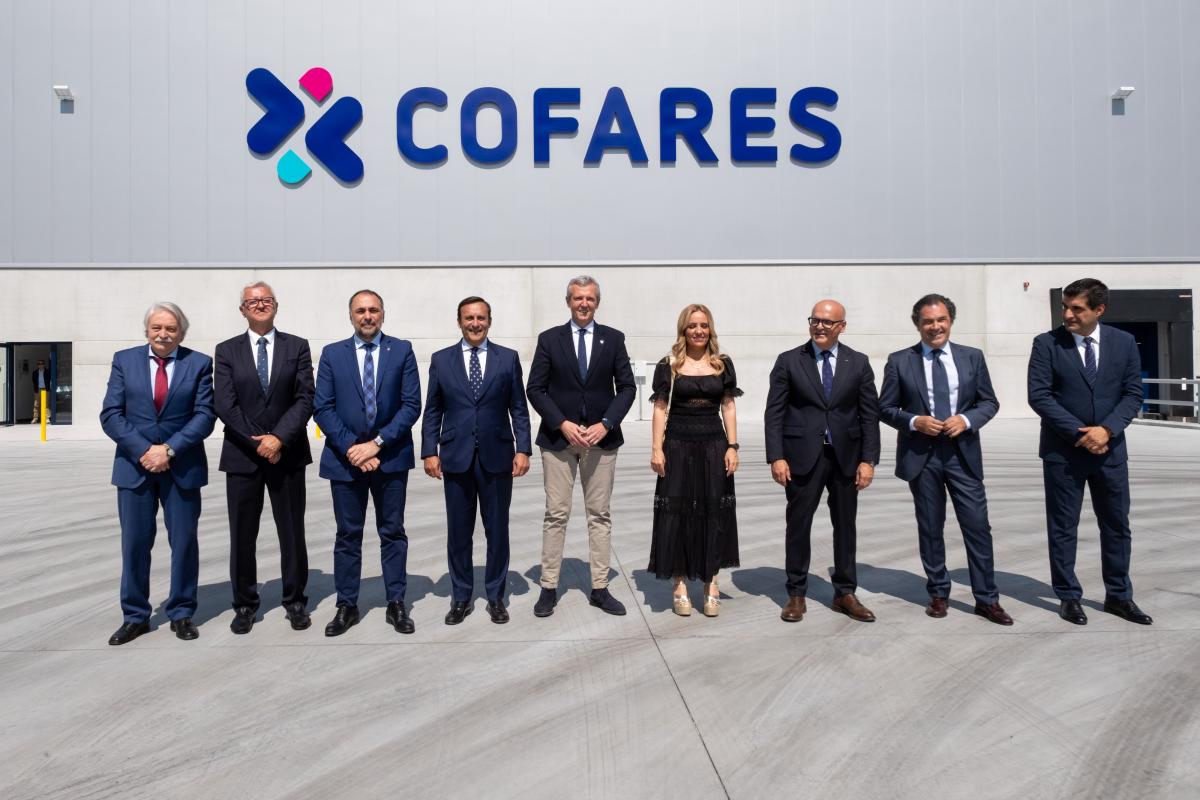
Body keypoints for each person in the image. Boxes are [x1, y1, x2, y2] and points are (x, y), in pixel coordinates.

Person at [879, 294, 1011, 625]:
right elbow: (884, 407)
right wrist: (914, 421)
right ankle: (938, 593)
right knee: (930, 527)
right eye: (928, 321)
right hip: (921, 456)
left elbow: (989, 402)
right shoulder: (900, 361)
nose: (935, 327)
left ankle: (987, 599)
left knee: (977, 526)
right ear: (917, 324)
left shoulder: (972, 357)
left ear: (951, 321)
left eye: (941, 320)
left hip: (962, 454)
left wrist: (966, 420)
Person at [1027, 278, 1151, 626]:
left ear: (1099, 310)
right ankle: (1068, 597)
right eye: (1065, 307)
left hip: (1111, 452)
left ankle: (1119, 596)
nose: (1067, 314)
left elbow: (1133, 394)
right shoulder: (1046, 344)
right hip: (1063, 453)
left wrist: (1106, 430)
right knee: (1063, 527)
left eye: (1076, 308)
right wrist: (1081, 434)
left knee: (1117, 526)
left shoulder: (1123, 343)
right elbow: (1040, 396)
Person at [100, 302, 216, 645]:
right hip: (134, 467)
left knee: (184, 542)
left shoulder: (199, 363)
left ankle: (181, 613)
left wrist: (168, 449)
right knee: (135, 543)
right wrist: (144, 450)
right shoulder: (125, 361)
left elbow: (205, 415)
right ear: (147, 330)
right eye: (157, 328)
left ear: (181, 332)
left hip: (182, 466)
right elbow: (111, 414)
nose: (163, 334)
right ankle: (135, 616)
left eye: (171, 328)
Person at [313, 289, 422, 636]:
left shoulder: (401, 350)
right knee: (348, 534)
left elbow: (411, 405)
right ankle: (347, 604)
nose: (367, 316)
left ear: (383, 314)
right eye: (360, 310)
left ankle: (396, 602)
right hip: (345, 462)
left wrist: (375, 445)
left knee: (392, 532)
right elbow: (323, 407)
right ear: (351, 316)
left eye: (373, 309)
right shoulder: (333, 354)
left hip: (390, 457)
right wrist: (353, 449)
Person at [526, 275, 636, 617]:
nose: (583, 303)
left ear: (597, 302)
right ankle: (548, 587)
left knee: (599, 515)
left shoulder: (613, 339)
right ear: (568, 302)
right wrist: (562, 423)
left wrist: (606, 424)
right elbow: (535, 388)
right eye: (578, 298)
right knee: (556, 514)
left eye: (589, 298)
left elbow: (627, 388)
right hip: (559, 441)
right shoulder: (550, 339)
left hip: (601, 442)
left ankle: (600, 588)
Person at [764, 299, 881, 623]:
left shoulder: (858, 363)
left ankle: (844, 592)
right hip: (802, 457)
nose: (819, 326)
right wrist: (776, 456)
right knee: (798, 525)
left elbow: (869, 415)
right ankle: (796, 593)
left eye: (827, 322)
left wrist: (868, 460)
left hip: (846, 458)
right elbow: (774, 413)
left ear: (841, 327)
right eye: (814, 320)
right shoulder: (789, 361)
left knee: (845, 526)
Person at [421, 296, 533, 625]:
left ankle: (496, 596)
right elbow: (433, 410)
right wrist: (429, 451)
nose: (475, 323)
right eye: (469, 318)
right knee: (459, 532)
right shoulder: (441, 360)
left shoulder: (507, 358)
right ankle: (461, 597)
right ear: (459, 322)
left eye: (481, 318)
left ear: (489, 321)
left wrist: (523, 449)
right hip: (455, 457)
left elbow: (519, 408)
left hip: (497, 457)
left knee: (497, 531)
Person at [213, 282, 315, 634]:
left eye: (266, 300)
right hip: (243, 455)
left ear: (276, 305)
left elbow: (305, 398)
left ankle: (295, 601)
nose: (260, 305)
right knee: (242, 535)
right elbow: (225, 404)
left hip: (288, 453)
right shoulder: (226, 350)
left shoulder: (296, 347)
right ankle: (244, 604)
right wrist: (258, 441)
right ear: (242, 309)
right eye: (253, 301)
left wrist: (278, 438)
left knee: (292, 532)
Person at [647, 304, 741, 617]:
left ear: (710, 328)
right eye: (692, 326)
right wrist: (657, 449)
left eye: (703, 325)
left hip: (714, 446)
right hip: (676, 446)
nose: (698, 331)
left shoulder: (722, 364)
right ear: (683, 330)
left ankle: (711, 582)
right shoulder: (669, 365)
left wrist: (733, 446)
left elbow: (728, 406)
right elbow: (660, 408)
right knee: (677, 513)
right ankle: (679, 583)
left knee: (713, 512)